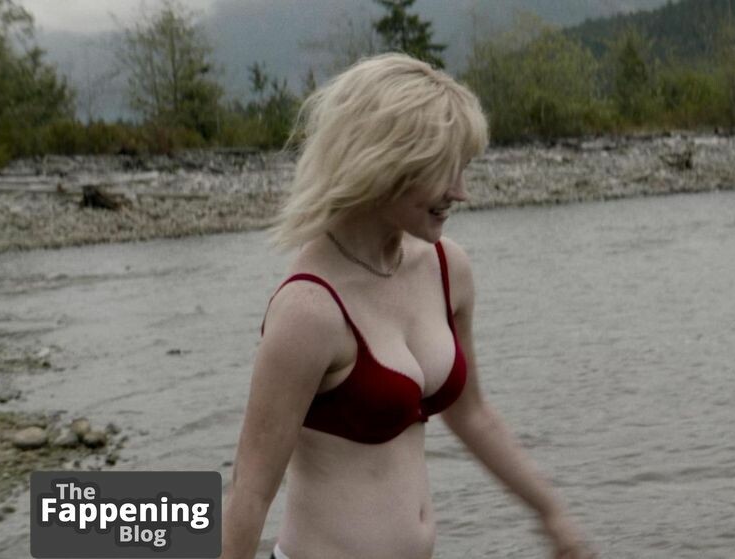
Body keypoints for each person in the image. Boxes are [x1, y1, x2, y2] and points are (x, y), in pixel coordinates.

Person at [221, 53, 594, 559]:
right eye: (442, 172)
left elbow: (472, 415)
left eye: (462, 169)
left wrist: (550, 512)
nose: (460, 193)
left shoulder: (447, 268)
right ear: (382, 163)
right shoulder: (309, 309)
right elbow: (250, 489)